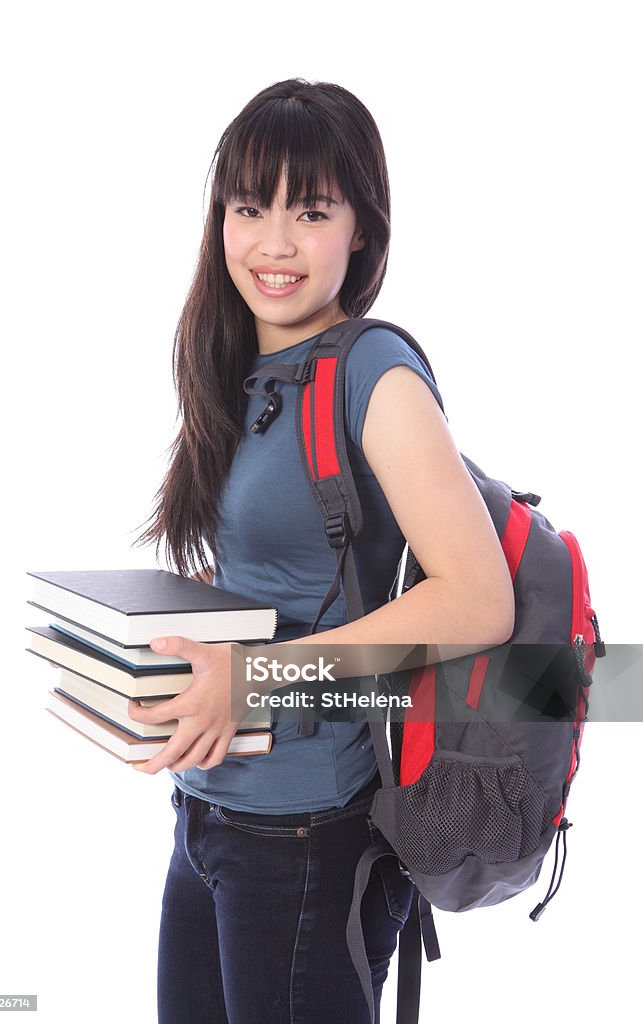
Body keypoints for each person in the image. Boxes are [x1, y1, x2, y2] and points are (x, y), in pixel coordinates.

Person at [129, 78, 515, 1024]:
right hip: (208, 815)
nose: (273, 243)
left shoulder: (372, 375)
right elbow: (279, 578)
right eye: (249, 207)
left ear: (360, 232)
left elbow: (477, 599)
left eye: (311, 211)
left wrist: (251, 685)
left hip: (304, 838)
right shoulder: (244, 374)